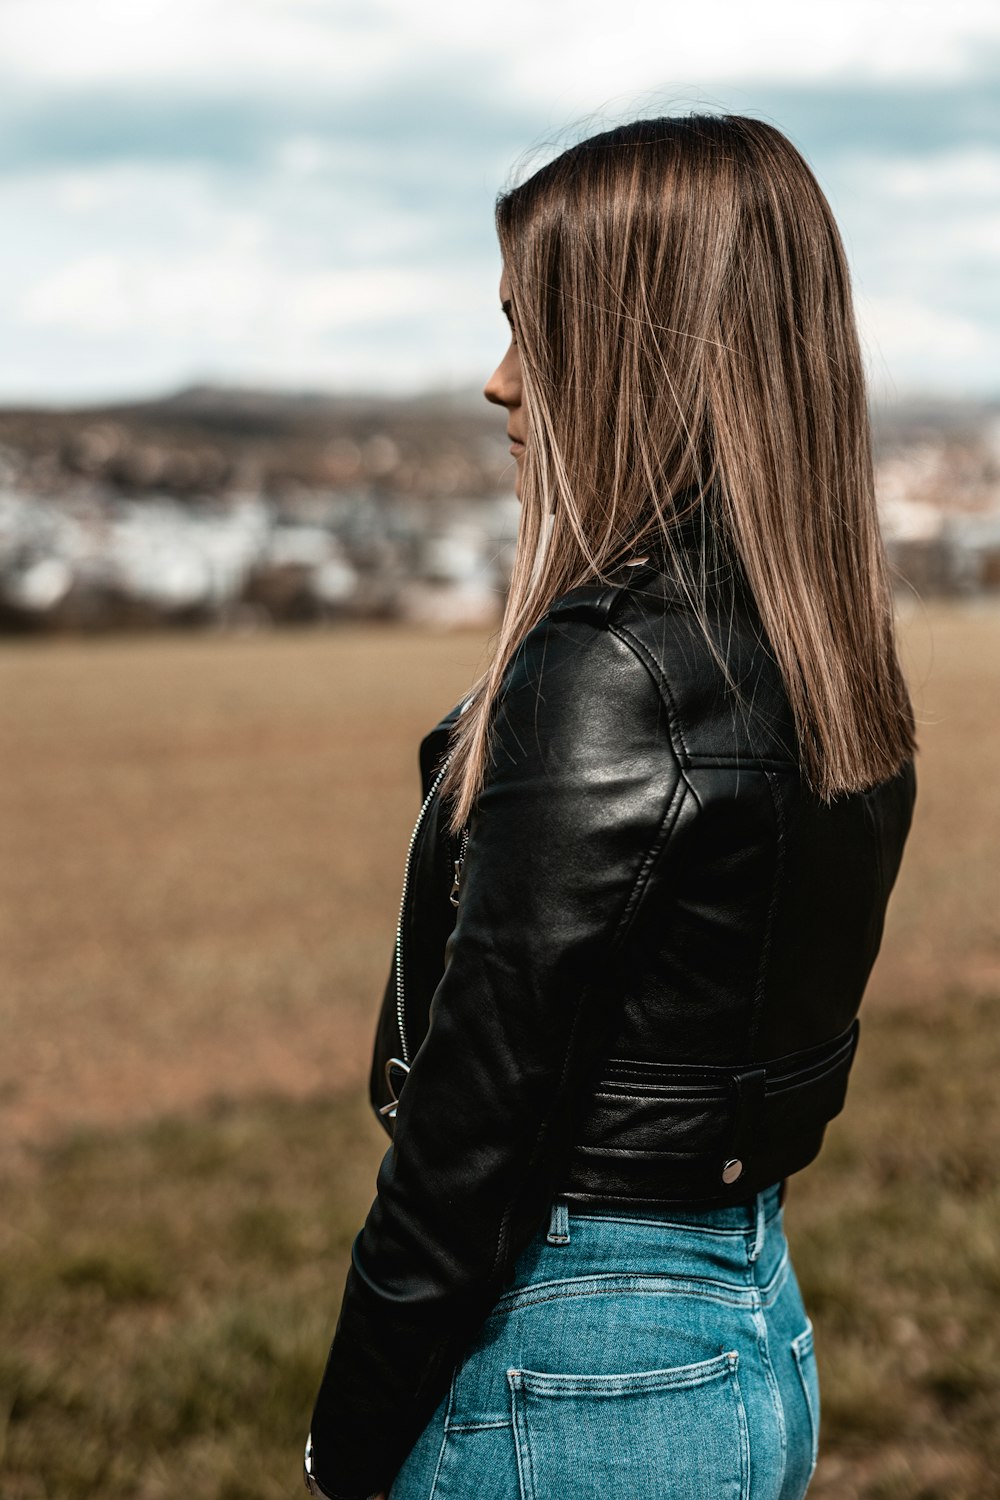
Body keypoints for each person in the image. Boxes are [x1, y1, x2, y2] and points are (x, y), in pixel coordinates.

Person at [303, 113, 917, 1500]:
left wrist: (344, 1445)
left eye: (535, 329)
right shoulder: (816, 644)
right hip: (751, 1326)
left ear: (642, 351)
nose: (500, 383)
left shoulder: (607, 671)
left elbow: (473, 1139)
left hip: (581, 1365)